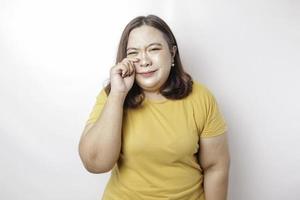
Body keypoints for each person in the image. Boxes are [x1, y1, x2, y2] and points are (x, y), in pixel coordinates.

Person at [78, 14, 230, 200]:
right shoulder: (112, 96)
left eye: (154, 49)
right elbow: (95, 163)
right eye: (133, 53)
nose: (144, 61)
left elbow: (215, 166)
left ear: (172, 53)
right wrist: (118, 95)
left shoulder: (201, 97)